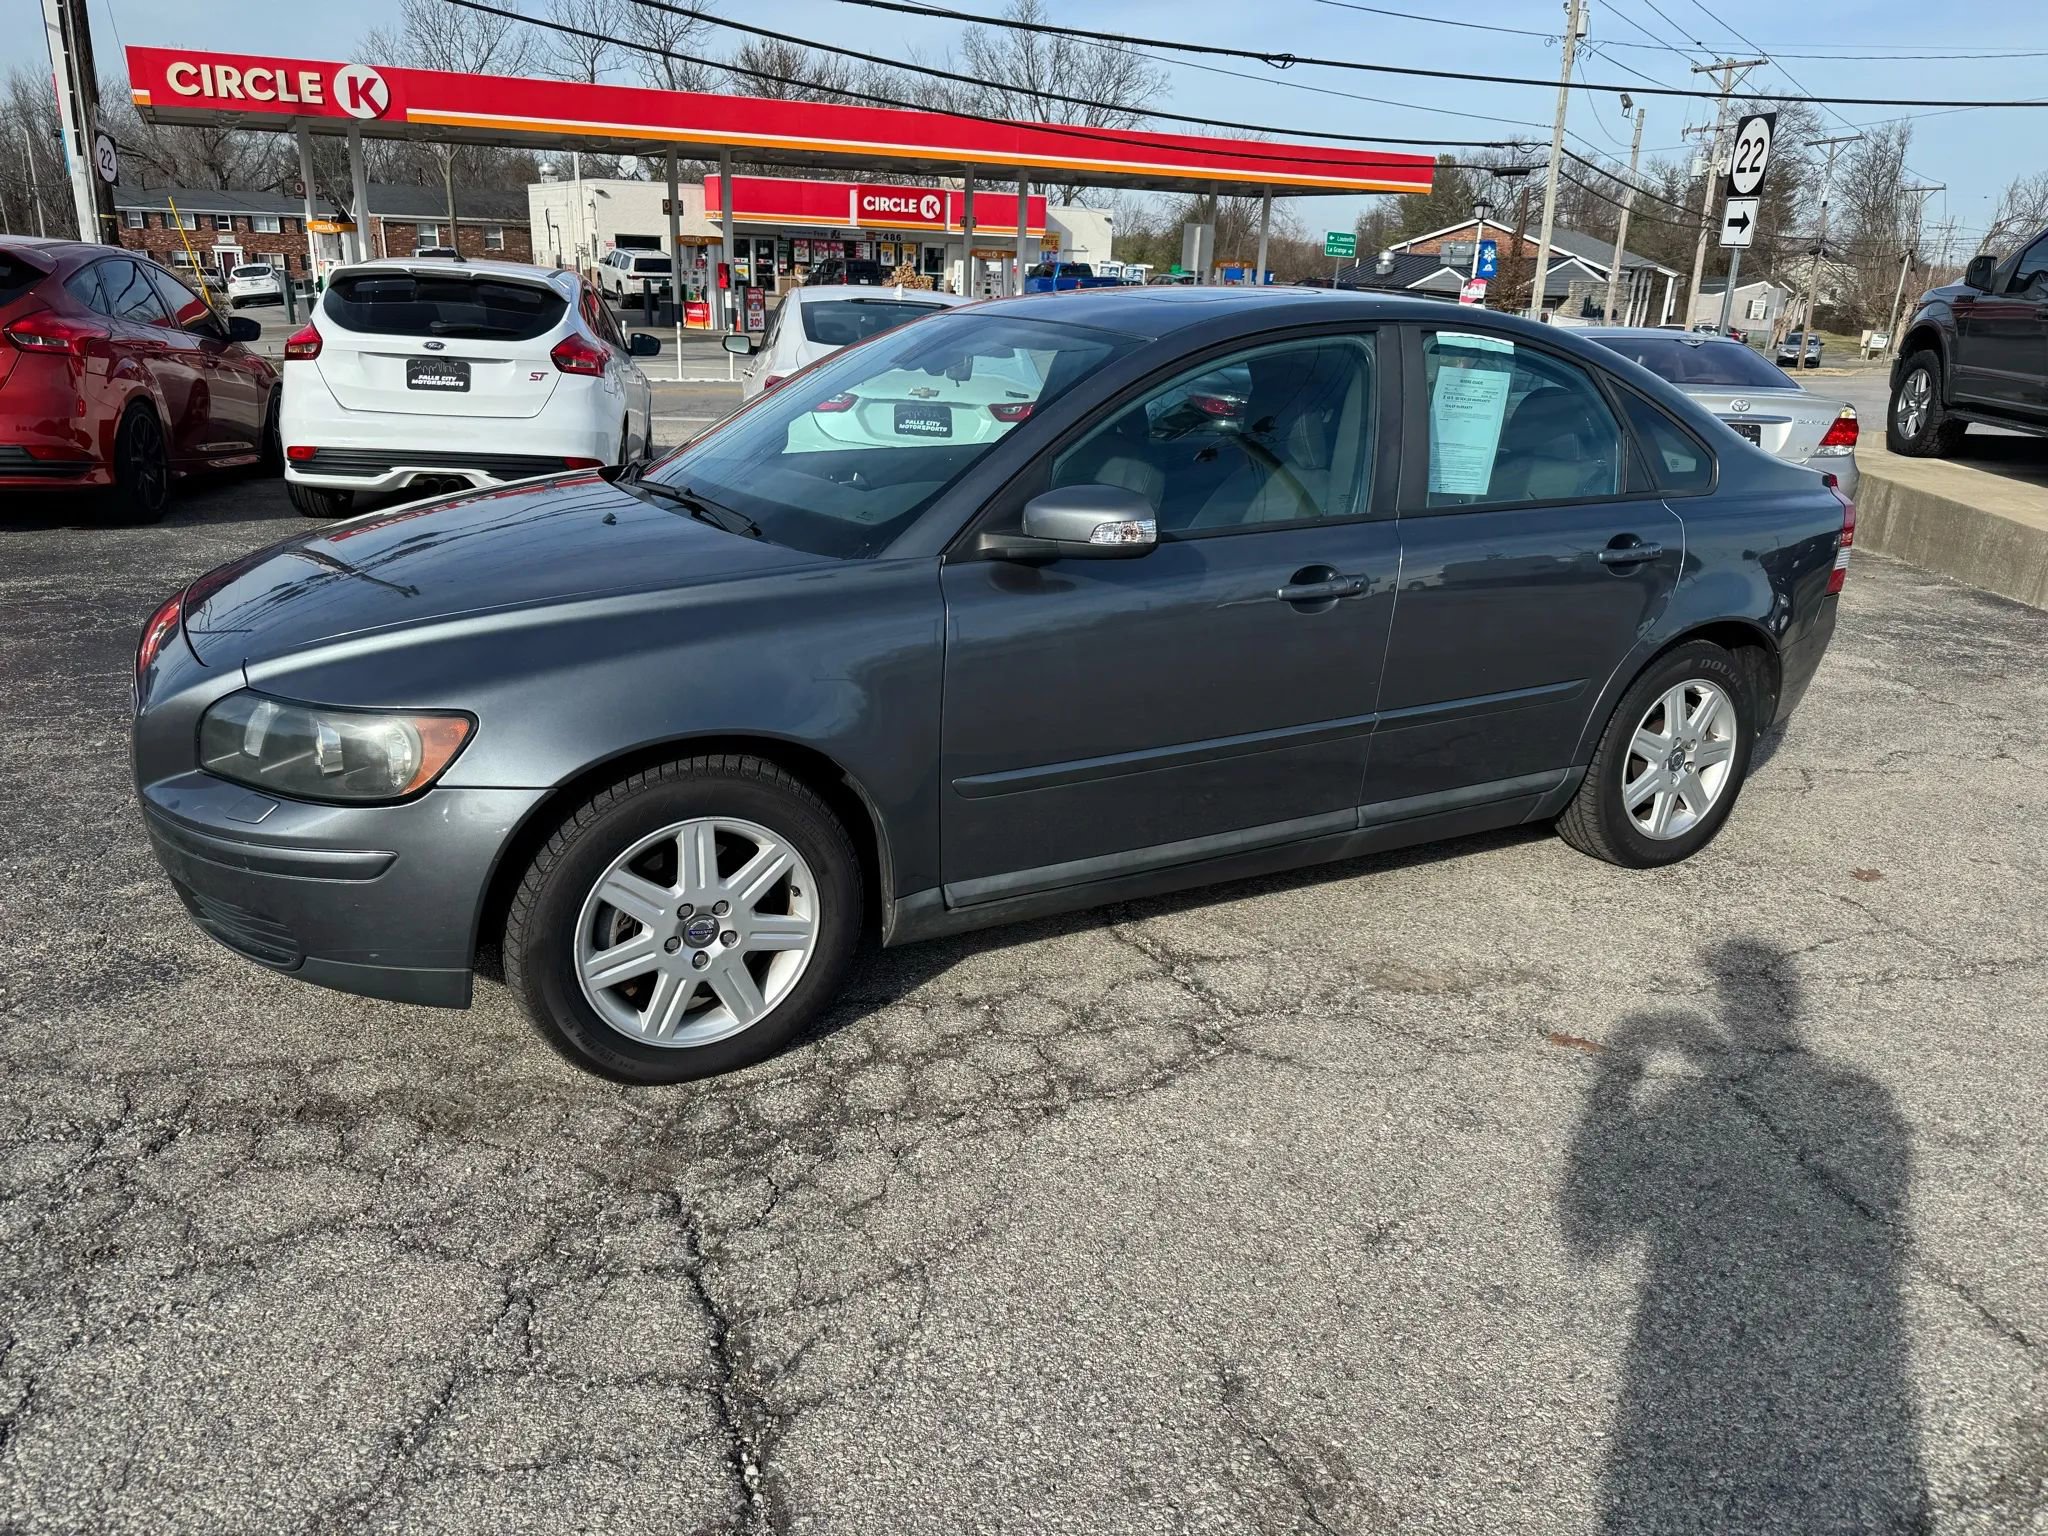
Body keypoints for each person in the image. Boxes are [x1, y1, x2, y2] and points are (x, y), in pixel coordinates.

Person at [1559, 939, 1927, 1532]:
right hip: (1847, 1336)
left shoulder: (1849, 1098)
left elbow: (1598, 1220)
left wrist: (1611, 1090)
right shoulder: (1865, 1098)